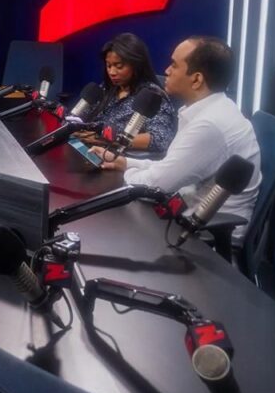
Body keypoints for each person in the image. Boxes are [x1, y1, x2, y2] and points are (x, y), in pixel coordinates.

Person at [90, 36, 261, 242]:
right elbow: (170, 167)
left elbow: (155, 185)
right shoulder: (209, 110)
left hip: (206, 238)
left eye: (174, 65)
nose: (167, 70)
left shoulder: (209, 125)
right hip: (188, 216)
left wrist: (126, 174)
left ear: (196, 79)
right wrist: (125, 162)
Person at [79, 32, 177, 152]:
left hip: (116, 158)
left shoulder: (152, 96)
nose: (112, 72)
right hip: (87, 149)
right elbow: (82, 117)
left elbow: (160, 139)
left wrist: (108, 139)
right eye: (109, 66)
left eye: (119, 66)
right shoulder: (106, 88)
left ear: (136, 65)